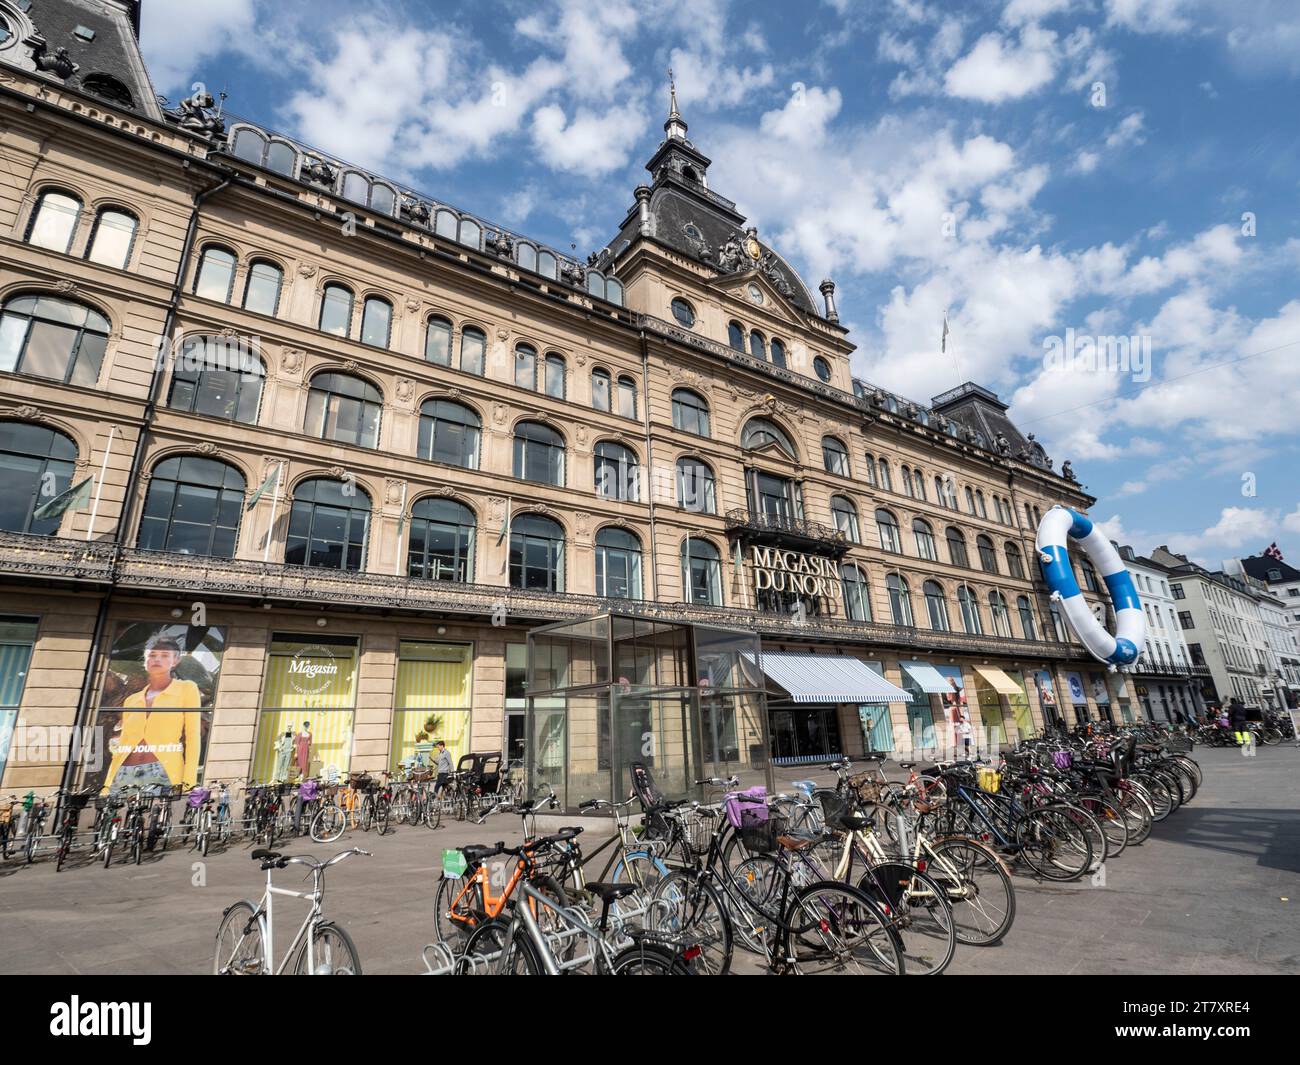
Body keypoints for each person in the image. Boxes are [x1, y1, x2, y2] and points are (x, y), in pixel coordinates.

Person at [102, 635, 203, 794]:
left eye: (164, 656)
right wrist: (107, 785)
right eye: (152, 655)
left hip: (163, 772)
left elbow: (193, 736)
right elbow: (123, 744)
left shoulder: (186, 689)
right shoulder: (131, 700)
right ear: (145, 660)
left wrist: (189, 782)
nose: (157, 660)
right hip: (123, 773)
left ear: (175, 661)